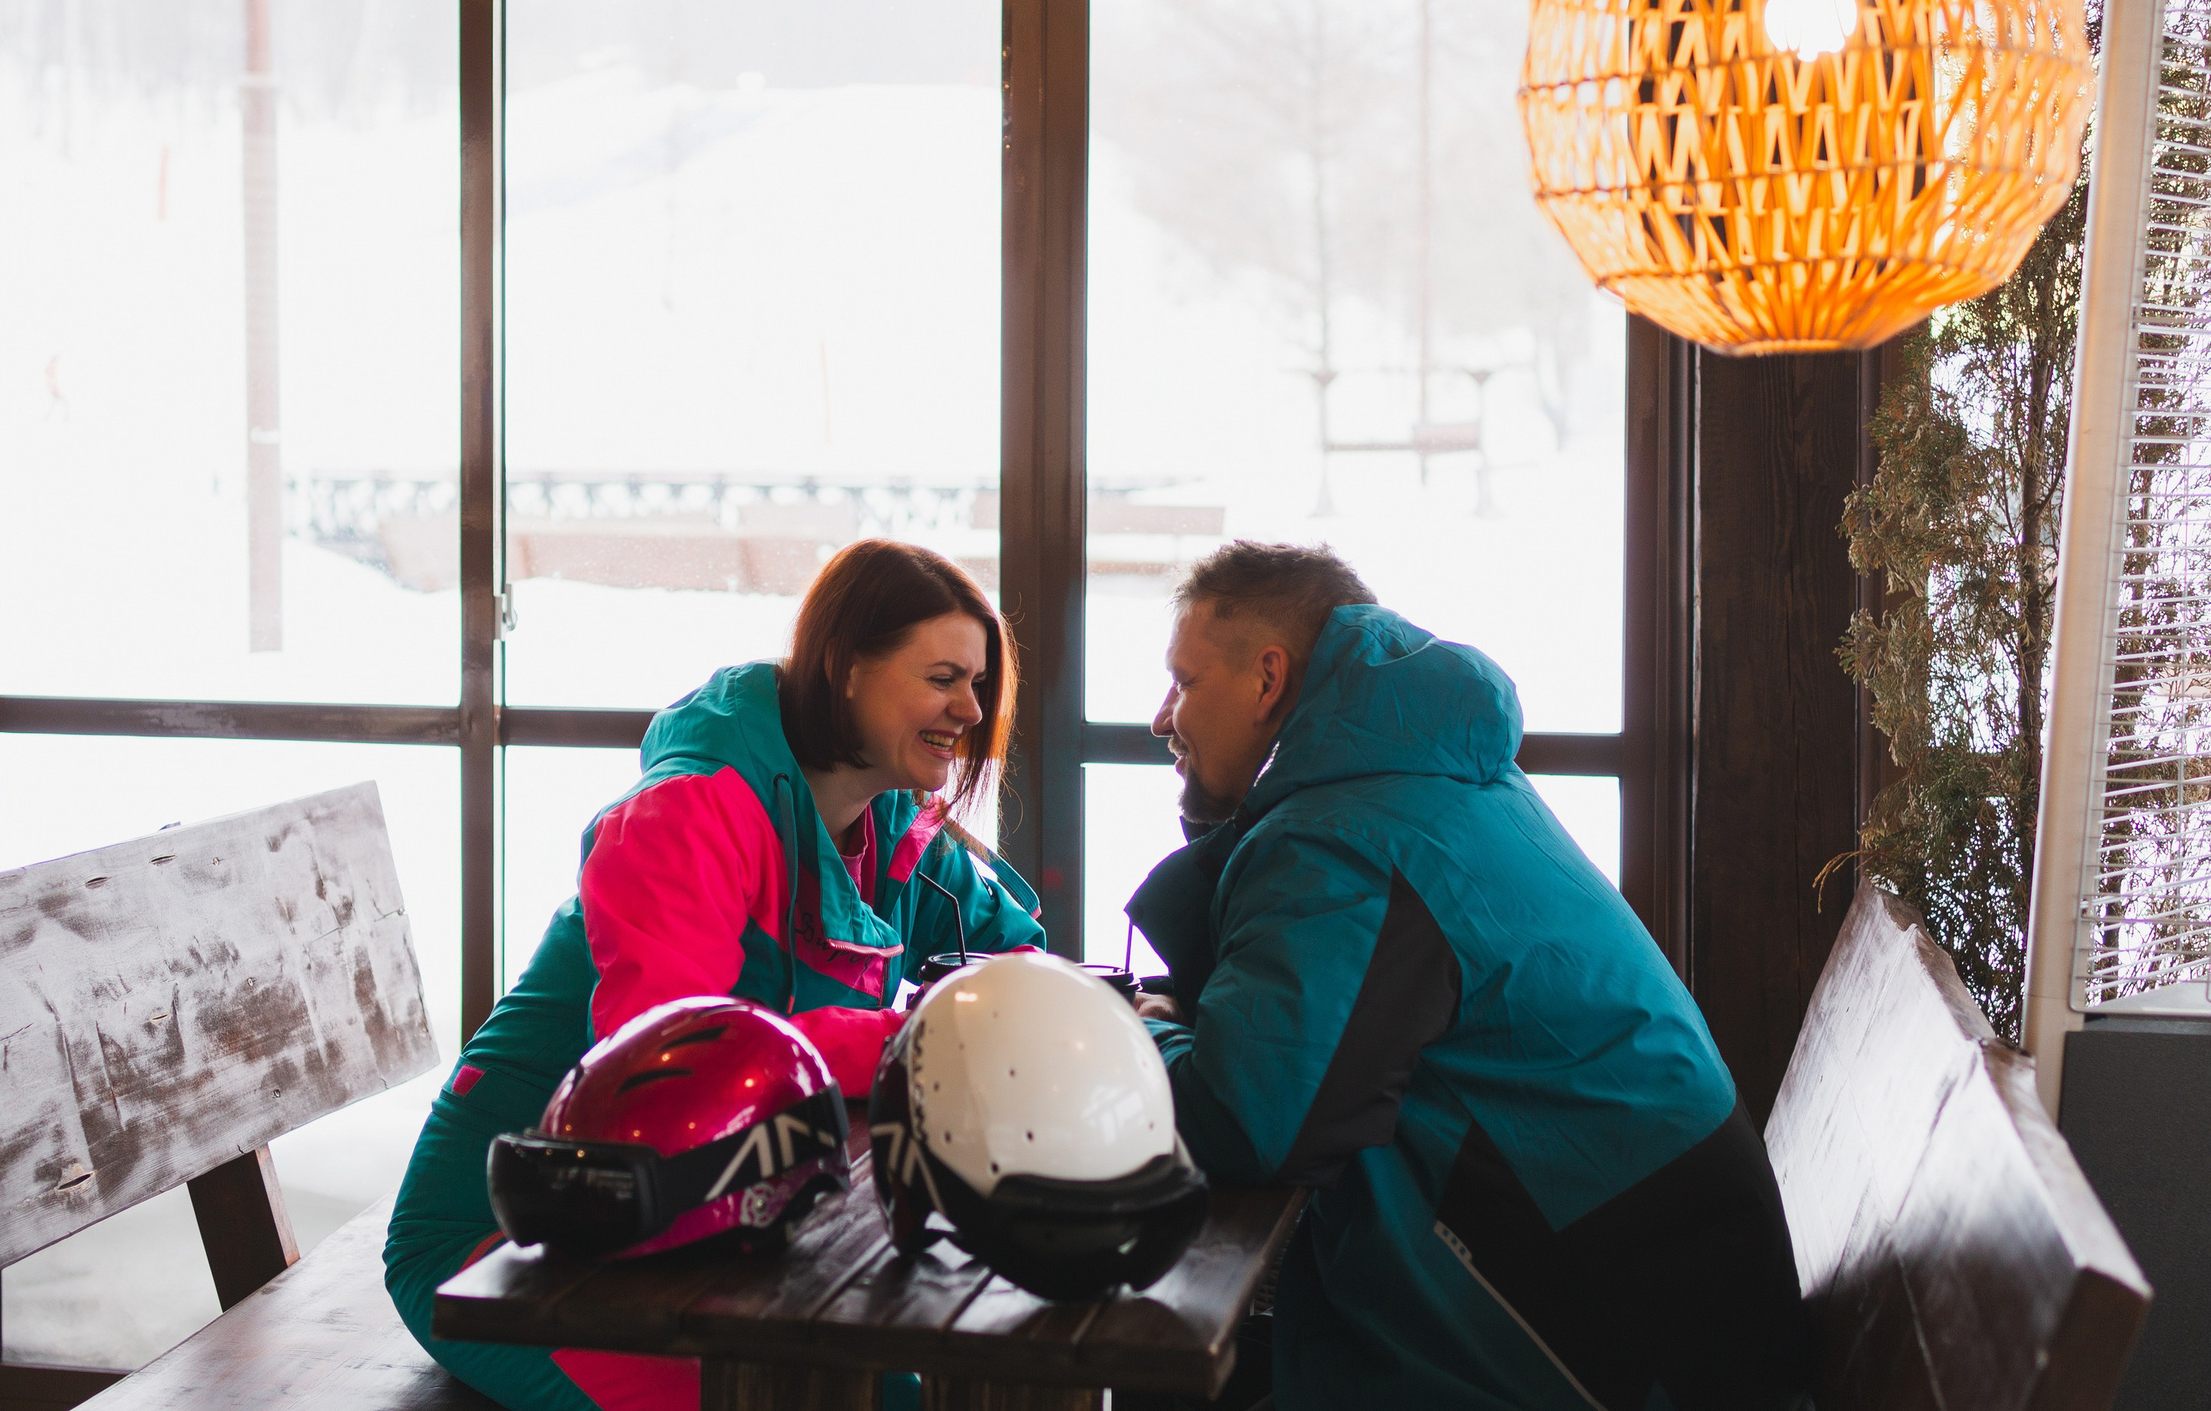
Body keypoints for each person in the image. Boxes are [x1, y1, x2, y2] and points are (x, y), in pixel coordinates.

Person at [1126, 541, 1808, 1411]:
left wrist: (1142, 1030)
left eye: (1183, 681)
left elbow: (1247, 1123)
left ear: (1267, 679)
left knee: (1175, 1369)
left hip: (1621, 1351)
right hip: (1676, 1310)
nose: (1161, 717)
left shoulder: (1339, 835)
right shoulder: (1432, 776)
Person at [385, 539, 1045, 1411]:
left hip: (725, 1230)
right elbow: (680, 1069)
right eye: (943, 677)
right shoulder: (688, 815)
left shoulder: (894, 825)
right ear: (848, 668)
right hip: (517, 1247)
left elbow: (1023, 972)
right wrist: (922, 1038)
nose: (970, 707)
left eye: (978, 684)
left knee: (900, 1393)